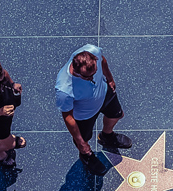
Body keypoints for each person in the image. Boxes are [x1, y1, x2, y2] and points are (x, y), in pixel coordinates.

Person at [55, 44, 131, 175]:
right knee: (84, 139)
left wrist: (110, 78)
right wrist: (80, 142)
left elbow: (103, 61)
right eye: (86, 77)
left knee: (117, 115)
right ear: (75, 70)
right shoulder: (64, 89)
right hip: (84, 114)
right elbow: (67, 116)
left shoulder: (93, 50)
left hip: (105, 94)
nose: (91, 79)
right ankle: (86, 156)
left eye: (94, 74)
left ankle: (107, 136)